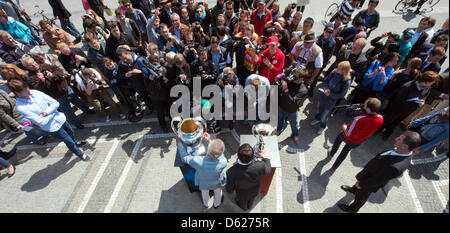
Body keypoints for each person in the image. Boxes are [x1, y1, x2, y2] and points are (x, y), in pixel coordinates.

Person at [338, 131, 422, 213]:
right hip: (370, 173)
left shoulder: (396, 167)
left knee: (362, 196)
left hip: (369, 183)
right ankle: (354, 190)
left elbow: (377, 180)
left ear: (405, 146)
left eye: (399, 139)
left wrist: (361, 184)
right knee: (358, 187)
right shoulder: (400, 149)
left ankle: (353, 209)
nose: (396, 138)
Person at [8, 79, 91, 161]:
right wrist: (53, 111)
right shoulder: (21, 107)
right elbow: (41, 122)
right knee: (68, 140)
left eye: (27, 88)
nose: (28, 91)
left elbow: (55, 103)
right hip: (52, 127)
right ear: (17, 93)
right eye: (24, 90)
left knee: (71, 133)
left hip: (60, 118)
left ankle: (75, 143)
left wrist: (45, 113)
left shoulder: (35, 92)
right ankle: (80, 154)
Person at [379, 71, 440, 140]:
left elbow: (425, 96)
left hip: (409, 110)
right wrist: (414, 102)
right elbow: (398, 99)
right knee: (389, 119)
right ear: (426, 81)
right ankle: (379, 129)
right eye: (432, 83)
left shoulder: (427, 87)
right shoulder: (408, 87)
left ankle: (387, 132)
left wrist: (422, 101)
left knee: (397, 122)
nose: (432, 84)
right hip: (397, 108)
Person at [328, 97, 384, 170]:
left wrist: (344, 127)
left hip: (349, 138)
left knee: (338, 139)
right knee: (345, 151)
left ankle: (331, 153)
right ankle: (334, 167)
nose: (363, 105)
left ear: (368, 108)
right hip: (359, 141)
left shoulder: (359, 119)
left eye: (365, 105)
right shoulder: (380, 118)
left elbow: (349, 134)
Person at [180, 137, 228, 211]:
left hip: (204, 183)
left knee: (205, 194)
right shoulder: (224, 161)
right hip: (217, 182)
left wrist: (179, 143)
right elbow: (220, 154)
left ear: (208, 150)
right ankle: (216, 204)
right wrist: (210, 141)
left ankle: (206, 204)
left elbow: (185, 158)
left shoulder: (198, 161)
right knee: (218, 193)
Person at [226, 143, 271, 211]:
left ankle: (244, 208)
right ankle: (249, 206)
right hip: (254, 190)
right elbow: (268, 170)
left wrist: (230, 189)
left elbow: (229, 189)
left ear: (238, 155)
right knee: (251, 199)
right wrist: (266, 158)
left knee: (242, 202)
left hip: (241, 193)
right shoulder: (260, 166)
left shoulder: (231, 171)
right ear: (253, 156)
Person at [311, 61, 352, 135]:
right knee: (319, 109)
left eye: (339, 68)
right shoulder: (334, 72)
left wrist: (330, 94)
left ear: (344, 71)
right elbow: (326, 81)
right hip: (323, 96)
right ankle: (317, 119)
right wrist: (326, 89)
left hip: (331, 101)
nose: (337, 69)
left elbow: (342, 95)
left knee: (324, 116)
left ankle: (322, 126)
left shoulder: (346, 81)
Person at [276, 67, 309, 144]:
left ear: (301, 79)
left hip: (291, 110)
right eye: (294, 75)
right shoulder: (289, 81)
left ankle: (295, 135)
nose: (293, 77)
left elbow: (291, 101)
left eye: (296, 77)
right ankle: (279, 129)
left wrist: (285, 89)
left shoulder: (303, 90)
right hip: (281, 106)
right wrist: (282, 77)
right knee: (280, 119)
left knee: (293, 124)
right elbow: (277, 86)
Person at [289, 32, 323, 97]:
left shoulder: (318, 51)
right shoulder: (298, 45)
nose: (305, 43)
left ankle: (294, 99)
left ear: (313, 42)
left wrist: (312, 78)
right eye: (304, 41)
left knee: (299, 90)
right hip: (294, 69)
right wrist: (292, 60)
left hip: (306, 73)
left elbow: (318, 67)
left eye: (308, 42)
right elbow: (291, 54)